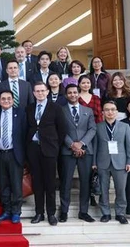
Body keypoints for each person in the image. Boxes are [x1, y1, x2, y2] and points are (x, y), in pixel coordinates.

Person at [26, 82, 66, 226]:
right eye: (37, 91)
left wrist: (54, 145)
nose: (40, 93)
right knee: (37, 183)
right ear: (34, 93)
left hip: (49, 149)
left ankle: (51, 213)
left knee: (50, 183)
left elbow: (62, 129)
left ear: (47, 92)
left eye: (43, 91)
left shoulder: (55, 108)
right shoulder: (29, 108)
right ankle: (39, 213)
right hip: (33, 149)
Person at [58, 84, 96, 223]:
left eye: (75, 92)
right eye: (70, 93)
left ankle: (84, 211)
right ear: (66, 95)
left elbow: (92, 129)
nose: (73, 95)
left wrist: (81, 144)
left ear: (79, 94)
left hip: (86, 150)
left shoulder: (88, 110)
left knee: (85, 182)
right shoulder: (60, 111)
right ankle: (63, 211)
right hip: (67, 151)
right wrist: (72, 144)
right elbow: (60, 130)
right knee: (66, 182)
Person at [93, 100, 130, 224]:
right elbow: (95, 146)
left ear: (117, 112)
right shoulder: (98, 126)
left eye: (112, 110)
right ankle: (105, 213)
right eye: (107, 110)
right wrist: (94, 162)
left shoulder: (125, 126)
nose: (110, 112)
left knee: (120, 189)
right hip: (102, 162)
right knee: (104, 189)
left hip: (121, 163)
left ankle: (120, 213)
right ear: (103, 112)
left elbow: (129, 145)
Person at [0, 91, 26, 224]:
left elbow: (25, 134)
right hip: (0, 154)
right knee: (3, 185)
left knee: (16, 185)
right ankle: (6, 210)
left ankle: (16, 212)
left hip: (15, 154)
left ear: (13, 100)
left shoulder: (21, 114)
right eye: (3, 99)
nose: (6, 101)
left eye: (9, 99)